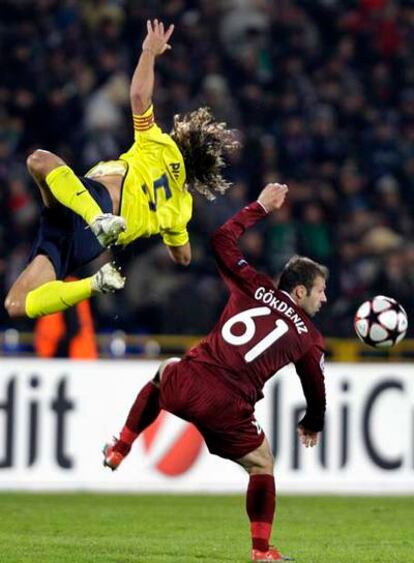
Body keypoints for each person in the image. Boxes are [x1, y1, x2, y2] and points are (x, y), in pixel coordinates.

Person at [103, 183, 328, 562]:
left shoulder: (252, 284)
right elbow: (315, 387)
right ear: (301, 291)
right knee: (262, 464)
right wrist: (313, 421)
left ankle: (121, 447)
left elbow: (221, 237)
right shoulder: (309, 337)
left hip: (190, 380)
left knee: (163, 371)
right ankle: (262, 552)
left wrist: (260, 206)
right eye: (321, 291)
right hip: (229, 407)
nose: (324, 299)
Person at [4, 19, 238, 320]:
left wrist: (148, 53)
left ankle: (96, 218)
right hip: (88, 241)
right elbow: (184, 257)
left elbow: (139, 97)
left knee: (39, 160)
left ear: (185, 138)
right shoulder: (181, 210)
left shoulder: (161, 146)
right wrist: (173, 234)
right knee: (16, 304)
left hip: (94, 203)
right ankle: (93, 283)